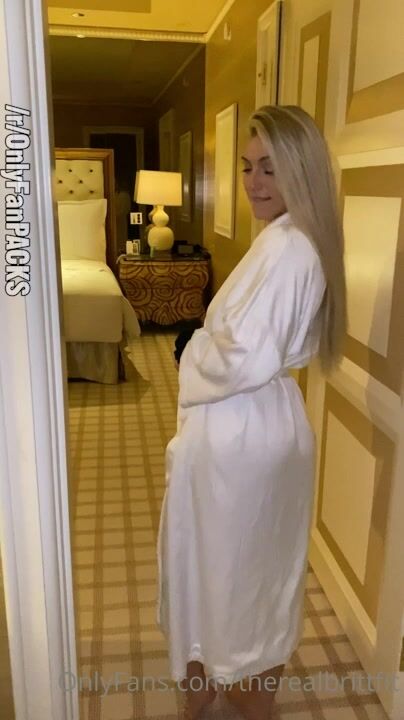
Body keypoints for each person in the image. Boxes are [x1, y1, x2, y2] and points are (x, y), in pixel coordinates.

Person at [155, 105, 347, 720]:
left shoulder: (290, 247)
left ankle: (231, 693)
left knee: (231, 574)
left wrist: (193, 348)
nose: (253, 182)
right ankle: (218, 687)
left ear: (301, 169)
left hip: (242, 434)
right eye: (247, 166)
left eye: (270, 167)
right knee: (243, 571)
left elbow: (243, 357)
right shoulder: (289, 237)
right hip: (256, 425)